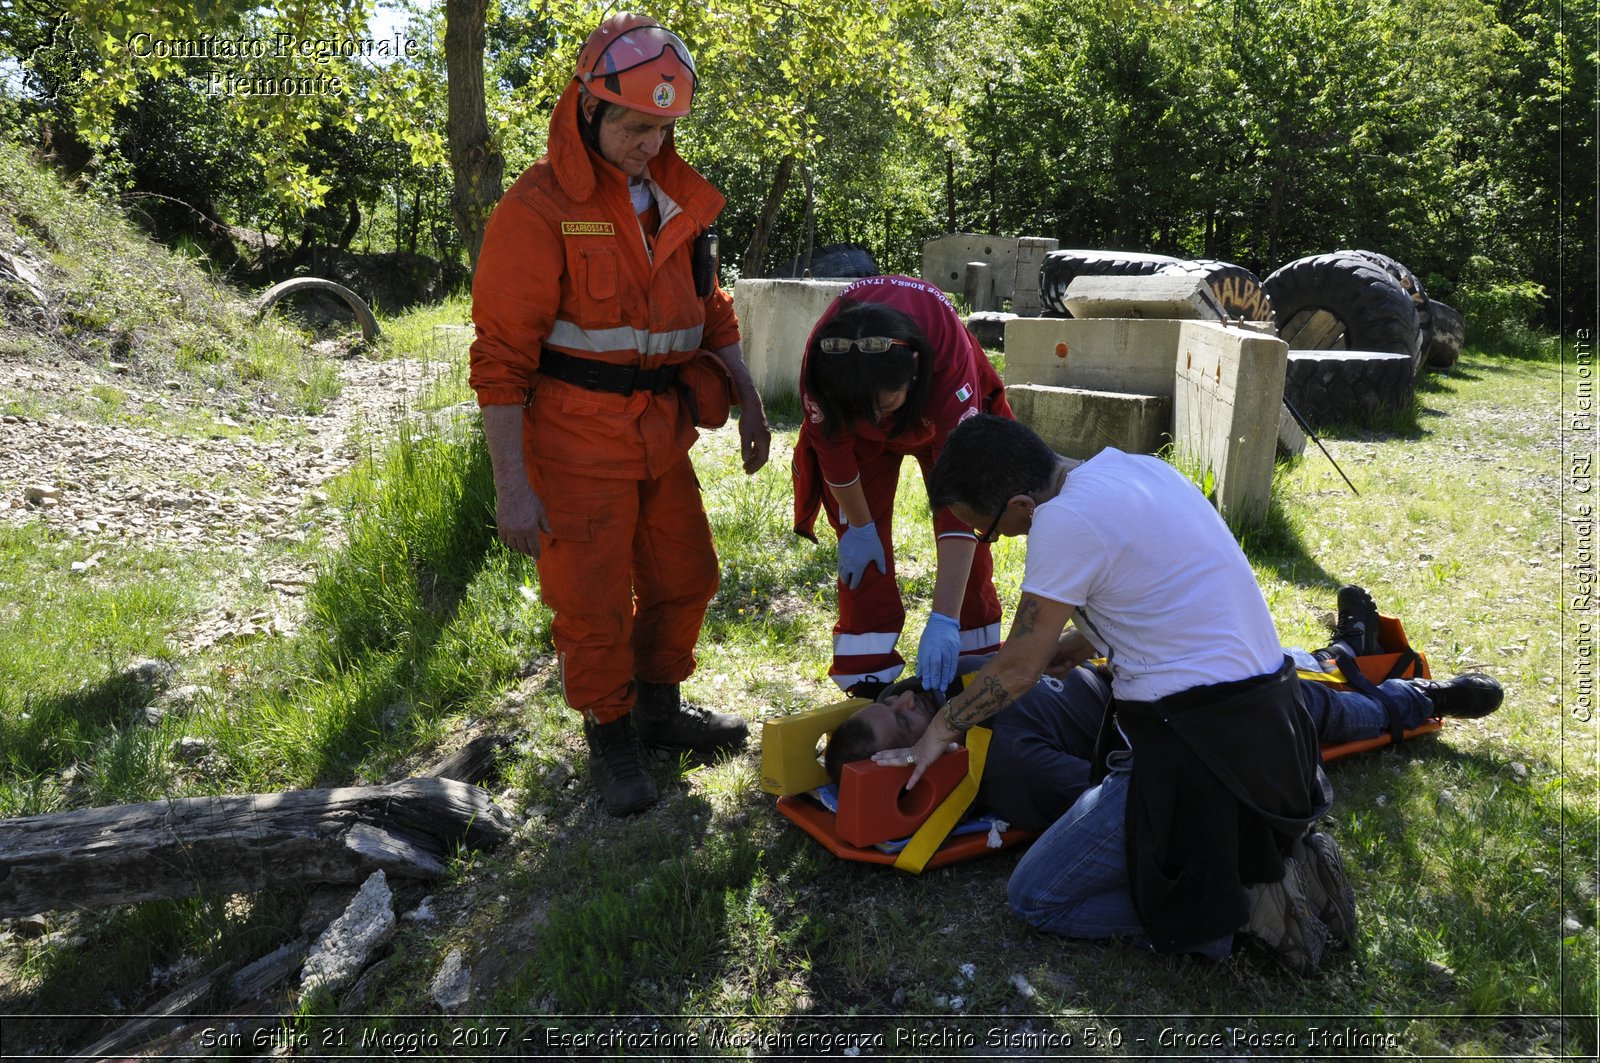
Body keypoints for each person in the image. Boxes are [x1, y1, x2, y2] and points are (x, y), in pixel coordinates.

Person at [895, 414, 1350, 970]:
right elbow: (1164, 586)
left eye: (988, 533)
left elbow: (1016, 669)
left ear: (1019, 506)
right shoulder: (1137, 471)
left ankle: (1240, 912)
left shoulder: (1062, 520)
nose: (997, 541)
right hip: (1276, 726)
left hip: (1199, 750)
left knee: (1036, 897)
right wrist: (1081, 640)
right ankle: (1261, 871)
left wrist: (941, 728)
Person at [469, 13, 771, 817]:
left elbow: (713, 313)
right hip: (573, 445)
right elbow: (499, 362)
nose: (650, 142)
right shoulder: (536, 211)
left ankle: (657, 712)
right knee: (594, 603)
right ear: (589, 108)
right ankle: (609, 736)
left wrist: (746, 397)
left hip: (661, 434)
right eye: (636, 125)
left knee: (687, 575)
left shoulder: (679, 197)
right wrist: (512, 487)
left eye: (664, 126)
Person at [824, 634, 1504, 836]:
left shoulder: (945, 690)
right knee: (1305, 711)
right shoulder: (1010, 771)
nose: (914, 699)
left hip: (1145, 660)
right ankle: (1420, 698)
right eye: (906, 719)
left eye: (898, 696)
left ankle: (1346, 647)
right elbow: (1116, 799)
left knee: (1277, 660)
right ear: (907, 766)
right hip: (1181, 713)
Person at [792, 275, 1013, 698]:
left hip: (940, 420)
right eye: (862, 410)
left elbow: (960, 499)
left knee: (973, 533)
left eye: (886, 405)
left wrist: (943, 619)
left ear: (913, 371)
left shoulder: (949, 362)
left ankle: (972, 659)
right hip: (858, 443)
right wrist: (859, 526)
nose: (878, 421)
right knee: (860, 556)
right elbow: (834, 453)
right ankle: (865, 673)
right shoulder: (822, 369)